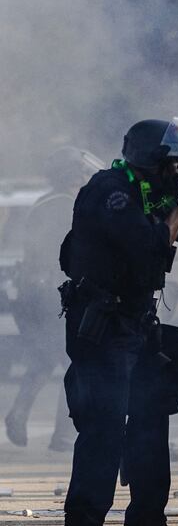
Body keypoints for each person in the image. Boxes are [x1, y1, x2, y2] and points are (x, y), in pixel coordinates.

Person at [59, 118, 178, 526]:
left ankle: (148, 524)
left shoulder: (152, 194)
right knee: (105, 426)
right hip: (103, 327)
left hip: (137, 326)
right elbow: (150, 243)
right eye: (171, 166)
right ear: (149, 162)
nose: (177, 174)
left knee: (152, 422)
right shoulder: (111, 191)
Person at [6, 147, 102, 450]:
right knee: (78, 362)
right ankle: (63, 433)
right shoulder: (67, 206)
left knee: (44, 358)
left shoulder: (43, 202)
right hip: (56, 296)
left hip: (35, 294)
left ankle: (18, 414)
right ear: (72, 175)